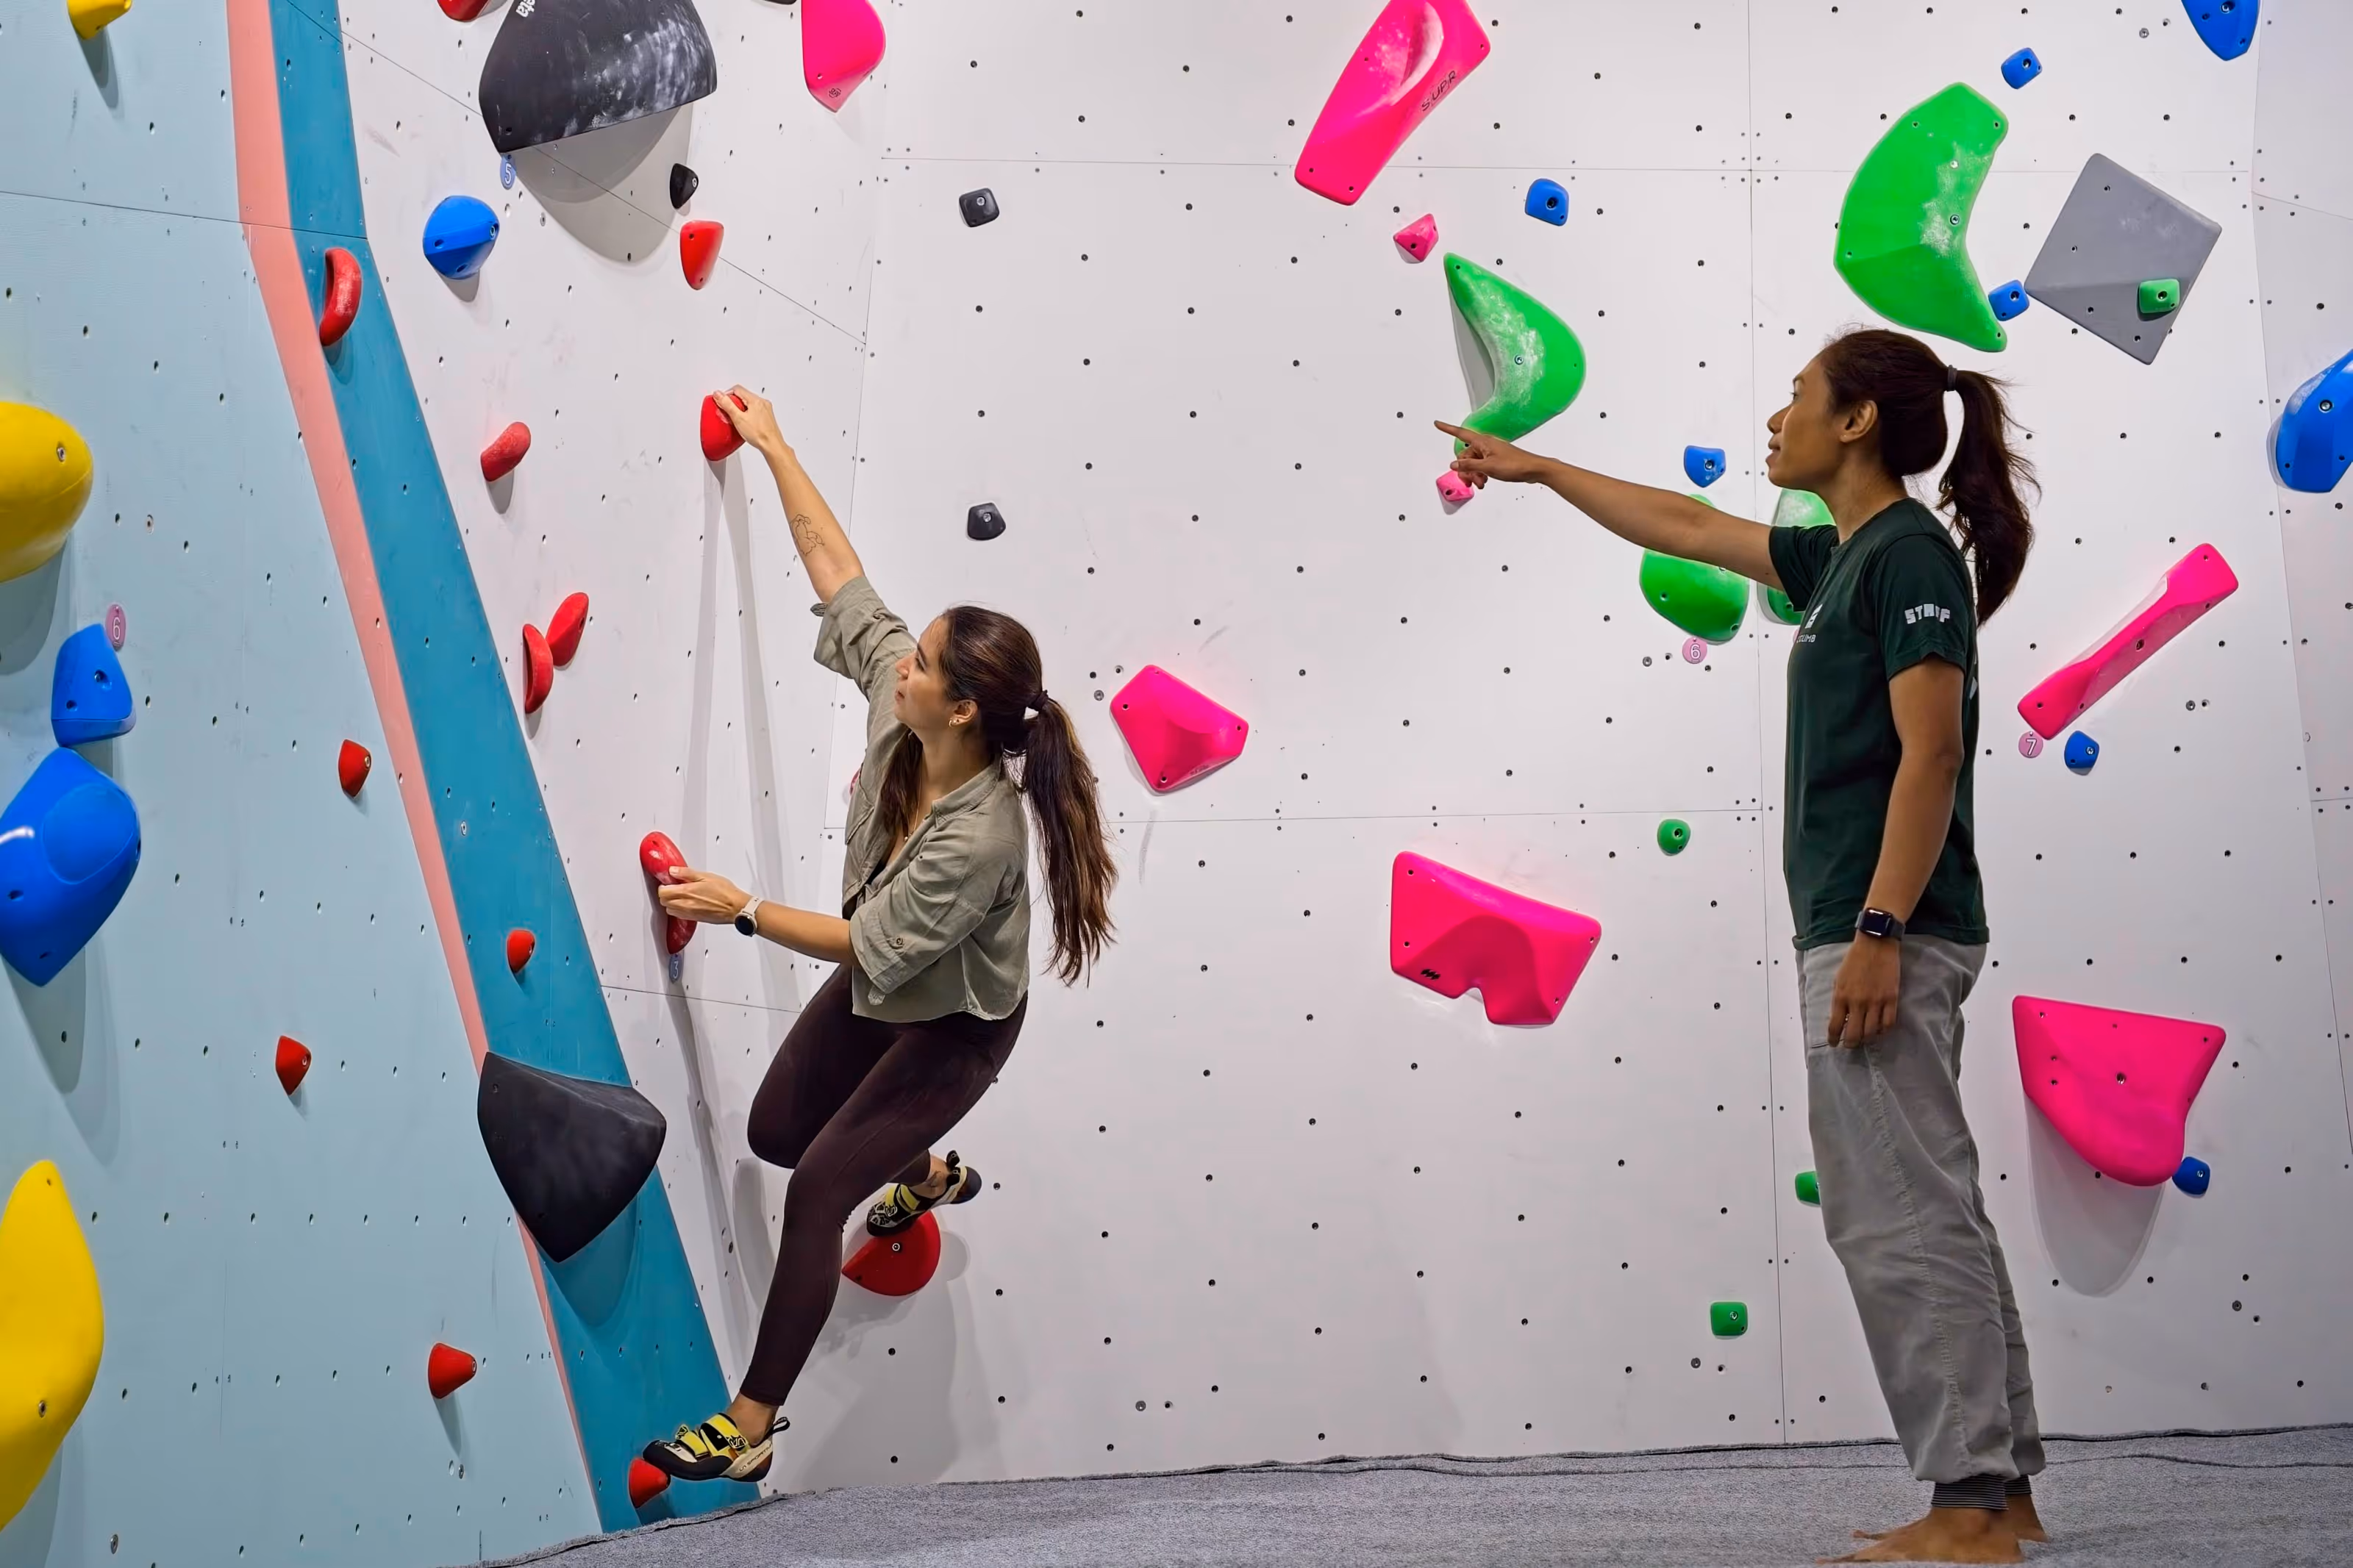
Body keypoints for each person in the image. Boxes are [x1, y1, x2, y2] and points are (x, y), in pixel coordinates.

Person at [1441, 327, 2043, 1566]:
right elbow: (1687, 525)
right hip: (1873, 925)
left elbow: (1932, 754)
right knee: (1931, 1207)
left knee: (1897, 1219)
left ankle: (1969, 1509)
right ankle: (2001, 1493)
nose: (1780, 417)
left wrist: (1877, 928)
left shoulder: (1908, 557)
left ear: (1859, 421)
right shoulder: (1847, 557)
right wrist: (1543, 470)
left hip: (1887, 930)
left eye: (1799, 397)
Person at [640, 385, 1118, 1487]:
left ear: (958, 709)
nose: (900, 662)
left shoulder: (982, 836)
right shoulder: (903, 718)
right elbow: (840, 577)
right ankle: (928, 1168)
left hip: (955, 1029)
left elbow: (869, 944)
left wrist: (740, 907)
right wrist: (775, 446)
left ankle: (751, 1423)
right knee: (777, 1132)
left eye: (922, 662)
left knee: (818, 1190)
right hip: (892, 984)